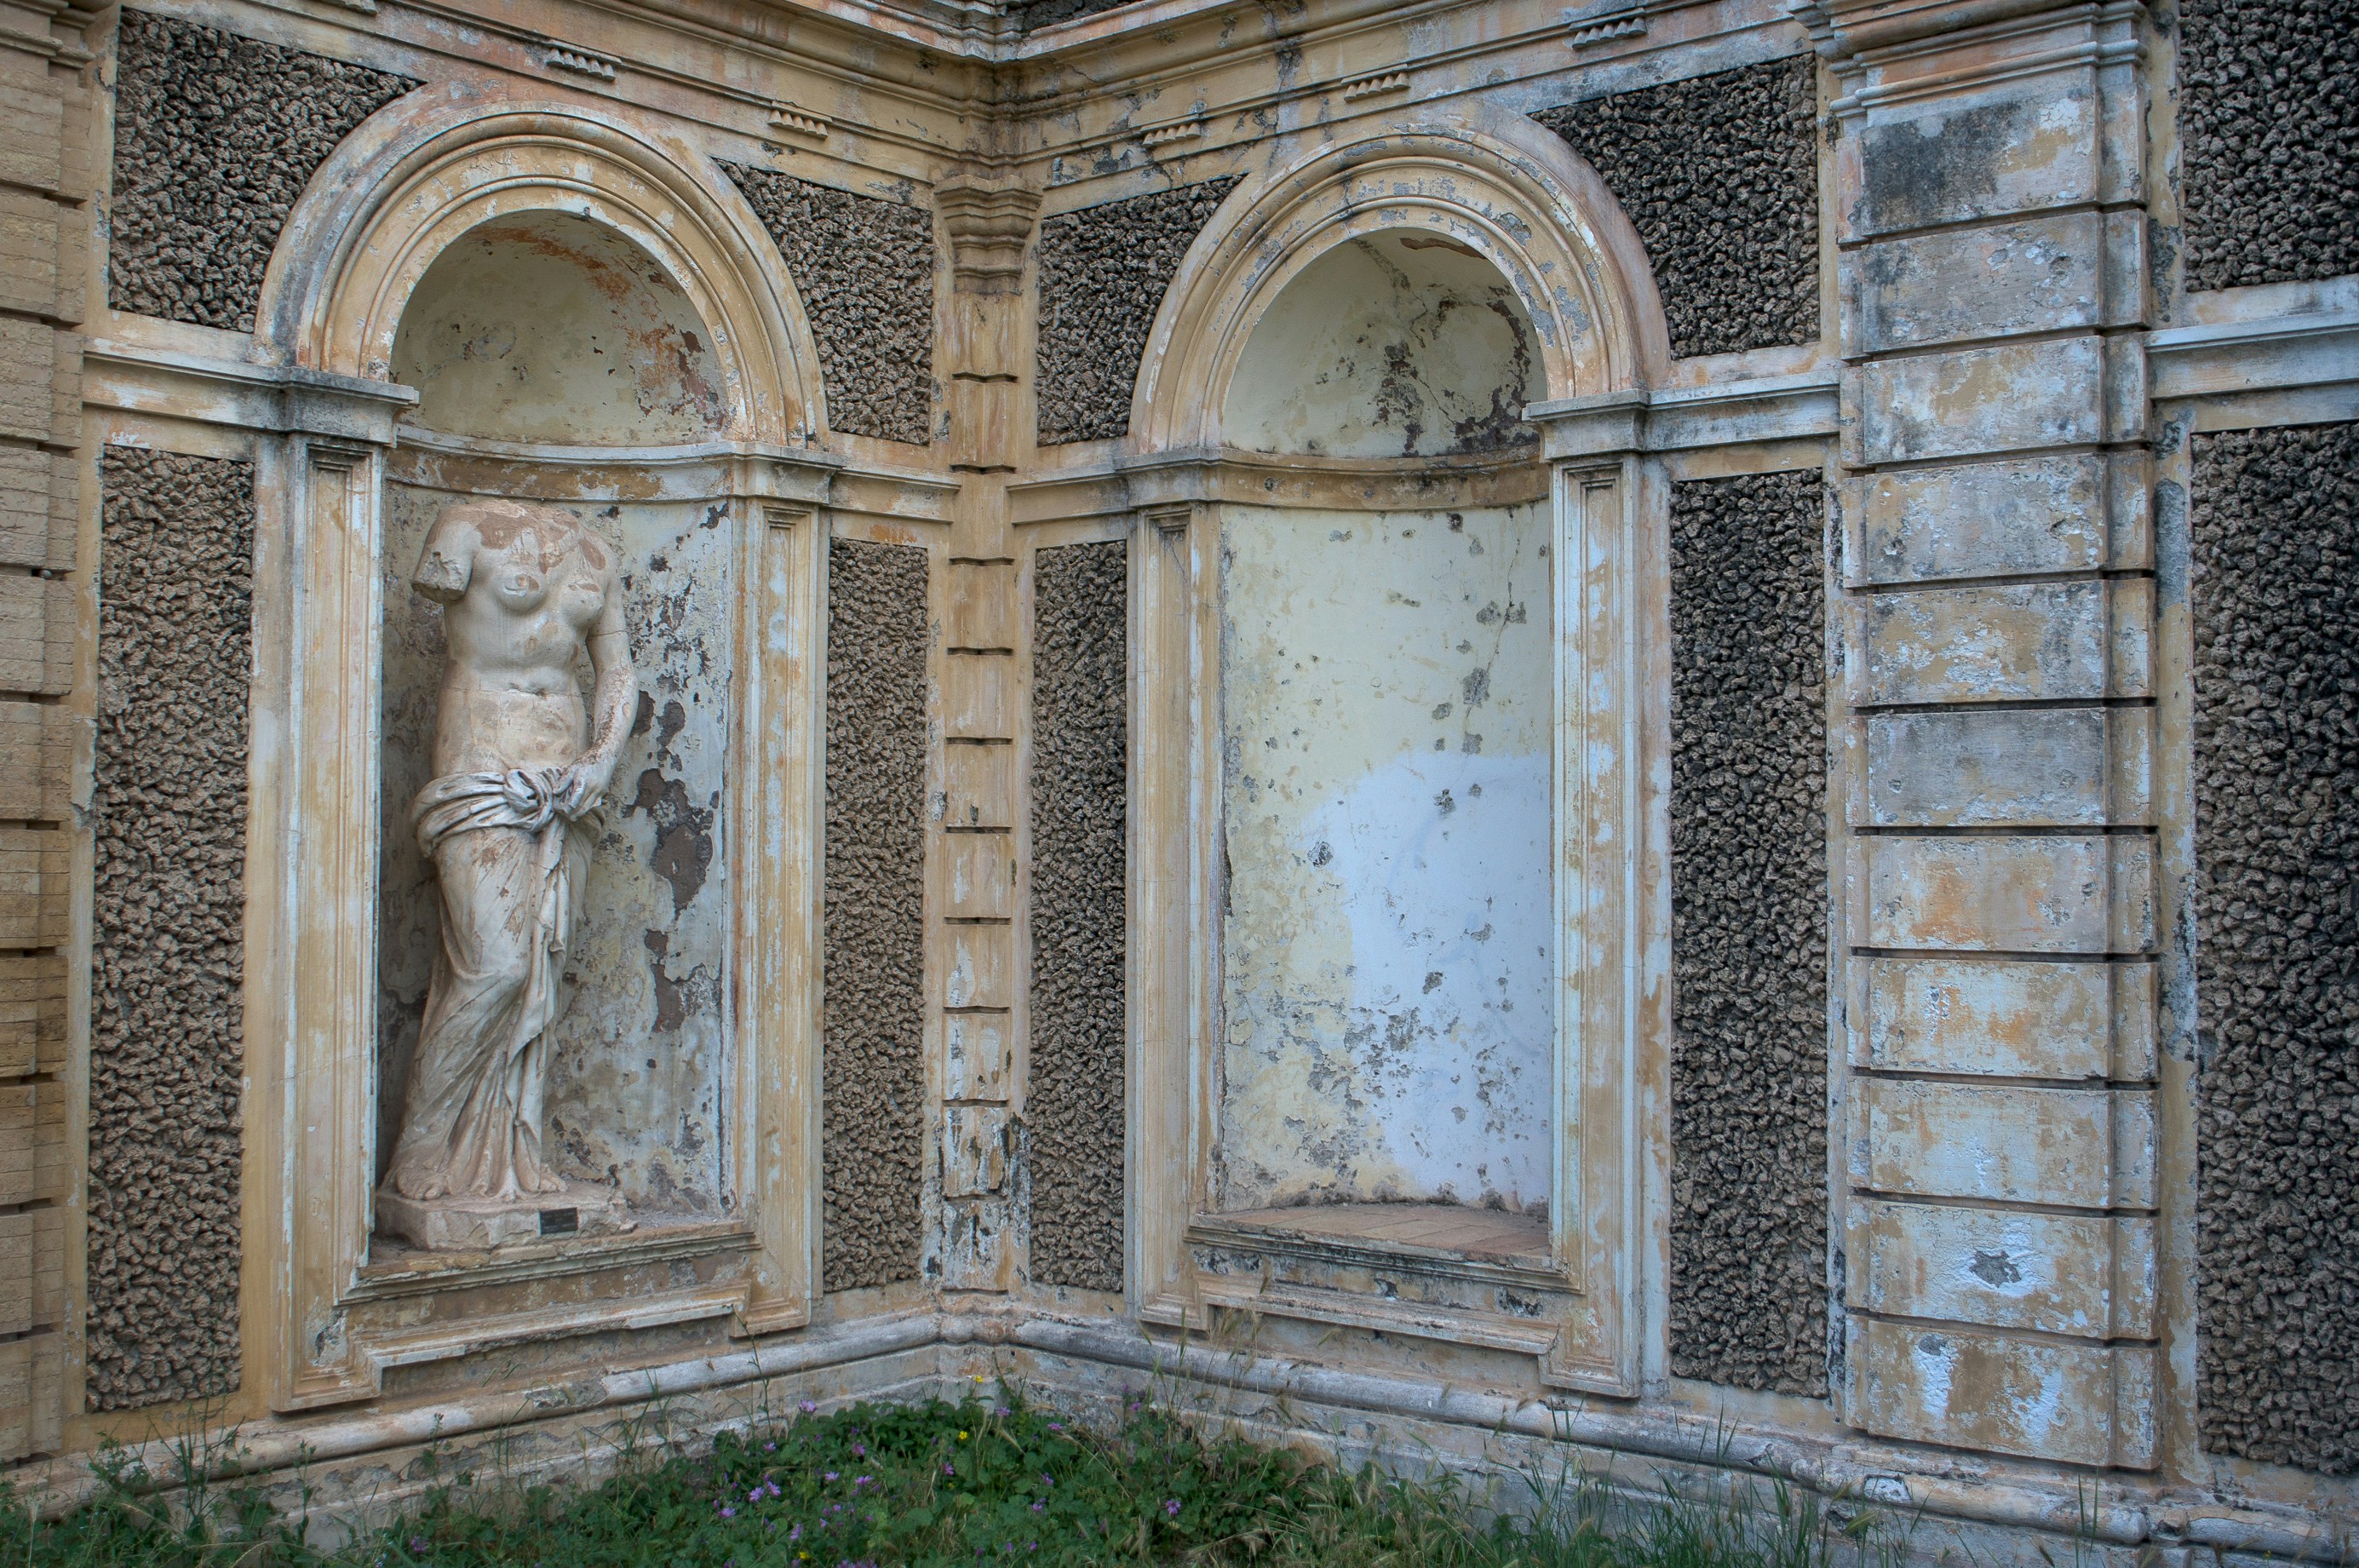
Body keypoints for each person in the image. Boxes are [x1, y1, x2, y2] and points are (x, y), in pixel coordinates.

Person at [381, 497, 636, 1226]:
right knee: (495, 965)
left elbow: (617, 672)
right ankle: (421, 1150)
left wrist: (601, 761)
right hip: (481, 759)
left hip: (568, 779)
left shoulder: (597, 553)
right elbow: (433, 589)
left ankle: (516, 1155)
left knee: (539, 972)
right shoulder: (463, 524)